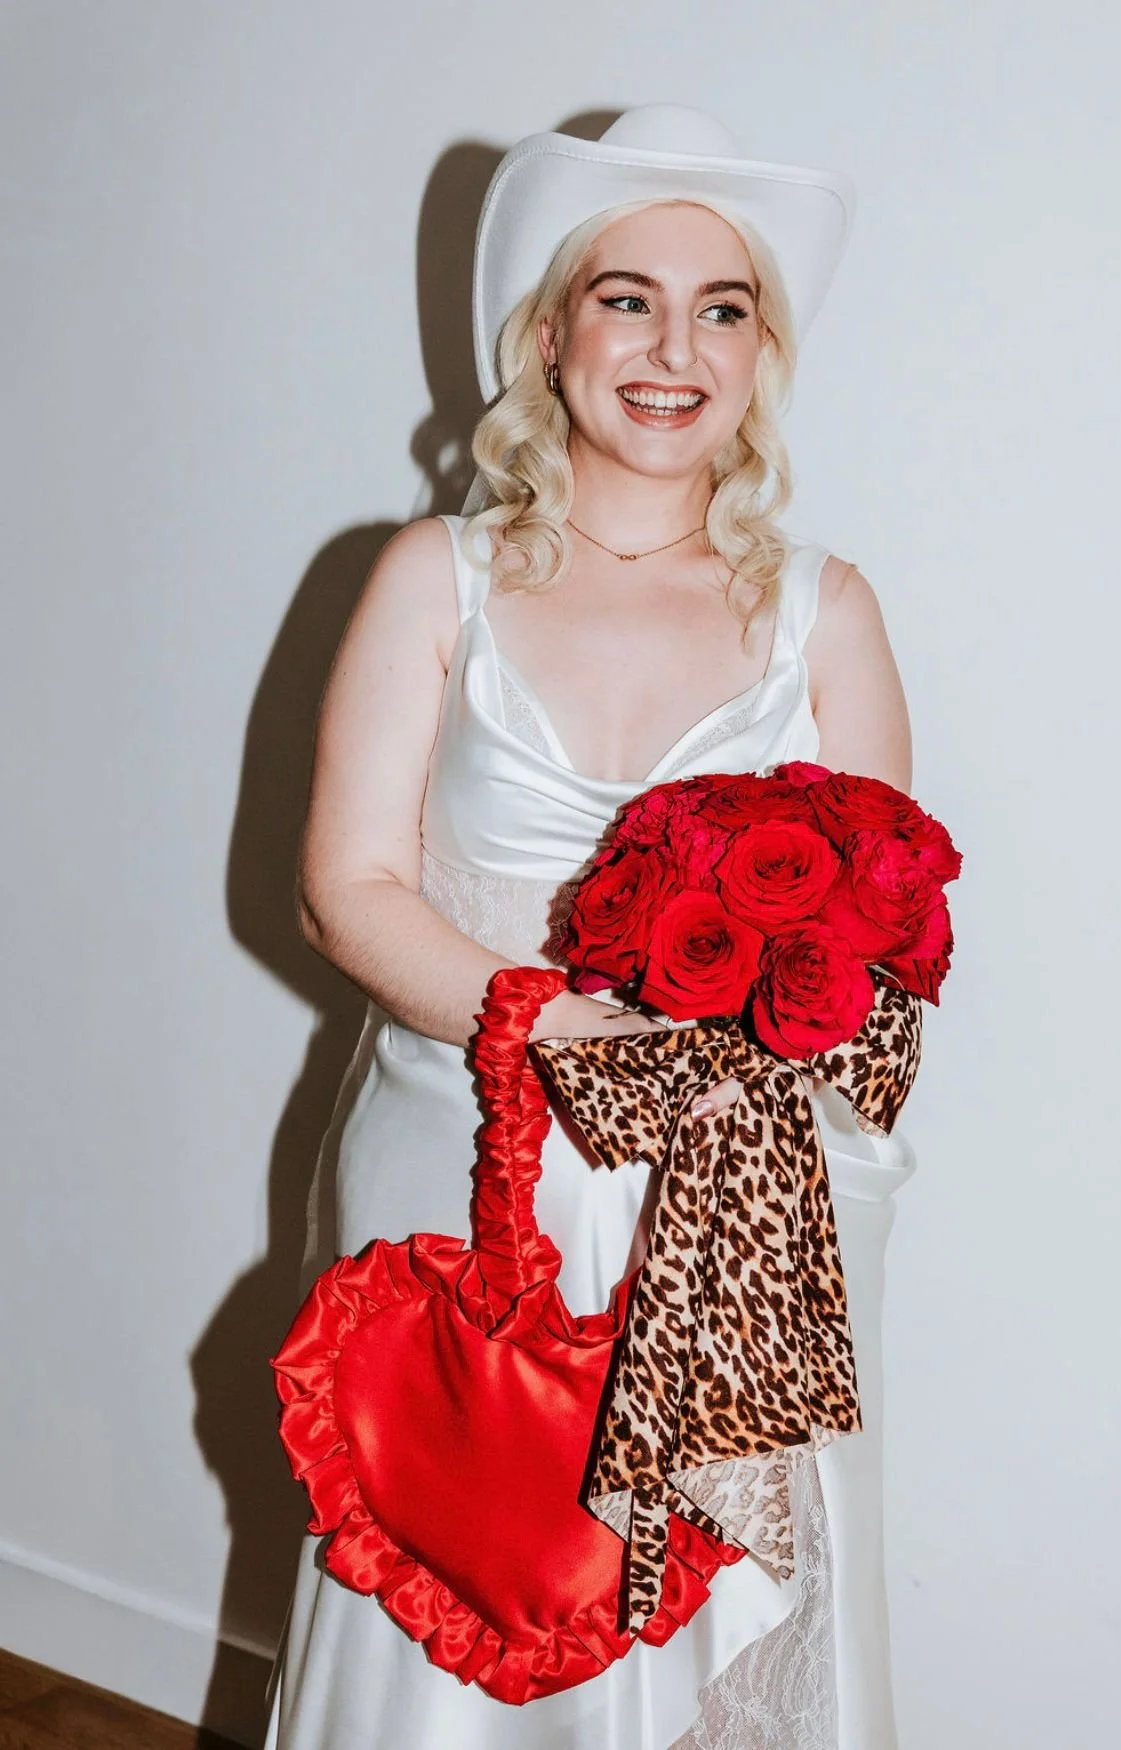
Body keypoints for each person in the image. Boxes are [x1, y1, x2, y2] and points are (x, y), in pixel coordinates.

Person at [262, 104, 916, 1750]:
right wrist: (561, 1031)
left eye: (722, 306)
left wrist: (729, 1077)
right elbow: (342, 886)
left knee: (711, 1601)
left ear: (761, 351)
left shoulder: (823, 609)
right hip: (463, 1156)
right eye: (625, 296)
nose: (672, 347)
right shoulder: (435, 574)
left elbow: (882, 939)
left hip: (727, 1189)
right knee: (452, 1549)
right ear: (549, 338)